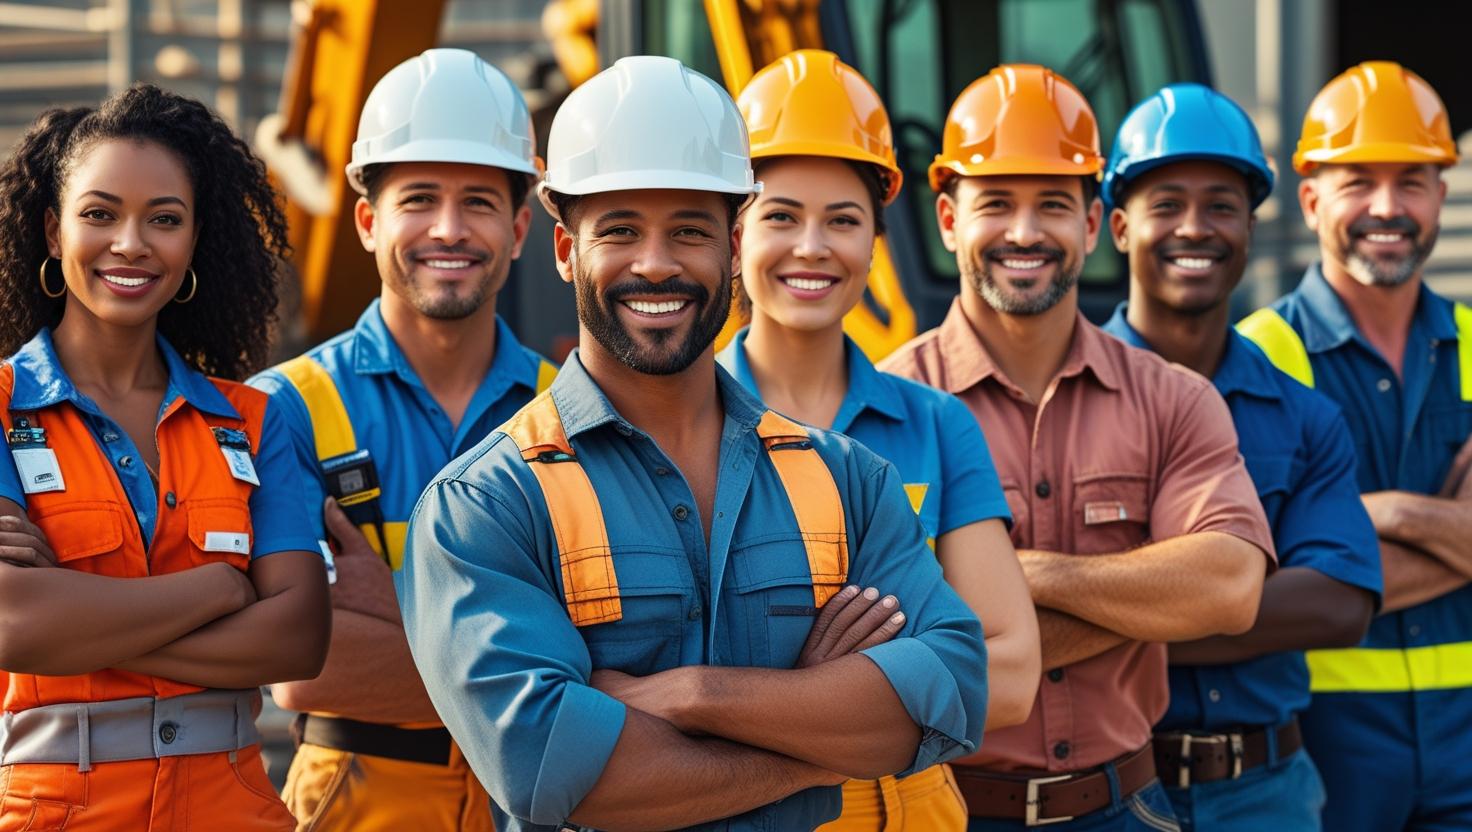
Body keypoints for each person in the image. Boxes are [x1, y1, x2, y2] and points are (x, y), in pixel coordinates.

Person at [398, 55, 989, 832]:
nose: (656, 263)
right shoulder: (486, 504)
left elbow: (948, 692)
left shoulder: (849, 481)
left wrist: (693, 695)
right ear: (565, 249)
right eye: (619, 230)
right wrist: (829, 735)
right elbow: (561, 775)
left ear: (733, 243)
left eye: (688, 230)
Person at [880, 64, 1275, 830]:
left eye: (1053, 206)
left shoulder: (1173, 398)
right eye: (996, 203)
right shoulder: (889, 411)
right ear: (950, 219)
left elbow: (1229, 587)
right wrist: (1152, 599)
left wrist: (1023, 576)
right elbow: (890, 646)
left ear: (1092, 225)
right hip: (949, 809)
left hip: (1127, 806)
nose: (1025, 234)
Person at [716, 48, 1040, 831]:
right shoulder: (674, 426)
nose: (812, 247)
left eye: (844, 220)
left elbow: (1013, 675)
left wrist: (778, 692)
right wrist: (901, 672)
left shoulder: (937, 425)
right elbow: (640, 685)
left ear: (875, 241)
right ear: (733, 234)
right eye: (781, 215)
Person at [0, 84, 328, 831]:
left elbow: (301, 636)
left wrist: (84, 622)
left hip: (236, 809)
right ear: (53, 232)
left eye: (165, 220)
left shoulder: (253, 421)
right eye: (99, 214)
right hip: (55, 812)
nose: (131, 243)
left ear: (194, 241)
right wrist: (220, 587)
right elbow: (15, 625)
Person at [249, 49, 555, 831]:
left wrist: (391, 608)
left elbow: (624, 653)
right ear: (367, 221)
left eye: (479, 202)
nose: (449, 230)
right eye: (418, 199)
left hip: (540, 803)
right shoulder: (283, 409)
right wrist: (536, 664)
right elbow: (304, 669)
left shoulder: (573, 409)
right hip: (356, 802)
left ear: (520, 228)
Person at [1099, 82, 1383, 831]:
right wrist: (1230, 596)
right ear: (1120, 227)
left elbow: (1338, 604)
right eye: (1167, 205)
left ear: (1250, 228)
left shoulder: (1304, 413)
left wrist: (1108, 614)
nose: (1196, 227)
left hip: (1268, 795)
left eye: (1222, 205)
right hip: (1112, 791)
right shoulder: (1061, 401)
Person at [1236, 60, 1472, 832]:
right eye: (1356, 181)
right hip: (1320, 747)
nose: (1386, 207)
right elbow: (1252, 573)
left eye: (1411, 180)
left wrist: (1358, 521)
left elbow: (1318, 561)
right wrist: (1429, 517)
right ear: (1309, 200)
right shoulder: (1253, 362)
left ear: (1442, 194)